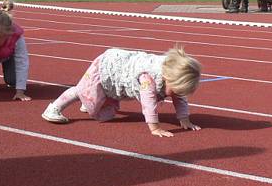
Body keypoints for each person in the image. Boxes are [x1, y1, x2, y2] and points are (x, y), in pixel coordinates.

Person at [42, 46, 202, 137]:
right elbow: (148, 104)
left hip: (121, 70)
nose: (175, 94)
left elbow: (180, 97)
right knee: (82, 90)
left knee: (102, 107)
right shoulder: (148, 79)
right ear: (167, 77)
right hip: (107, 67)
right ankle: (54, 108)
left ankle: (89, 100)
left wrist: (184, 119)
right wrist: (155, 127)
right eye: (175, 90)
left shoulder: (172, 74)